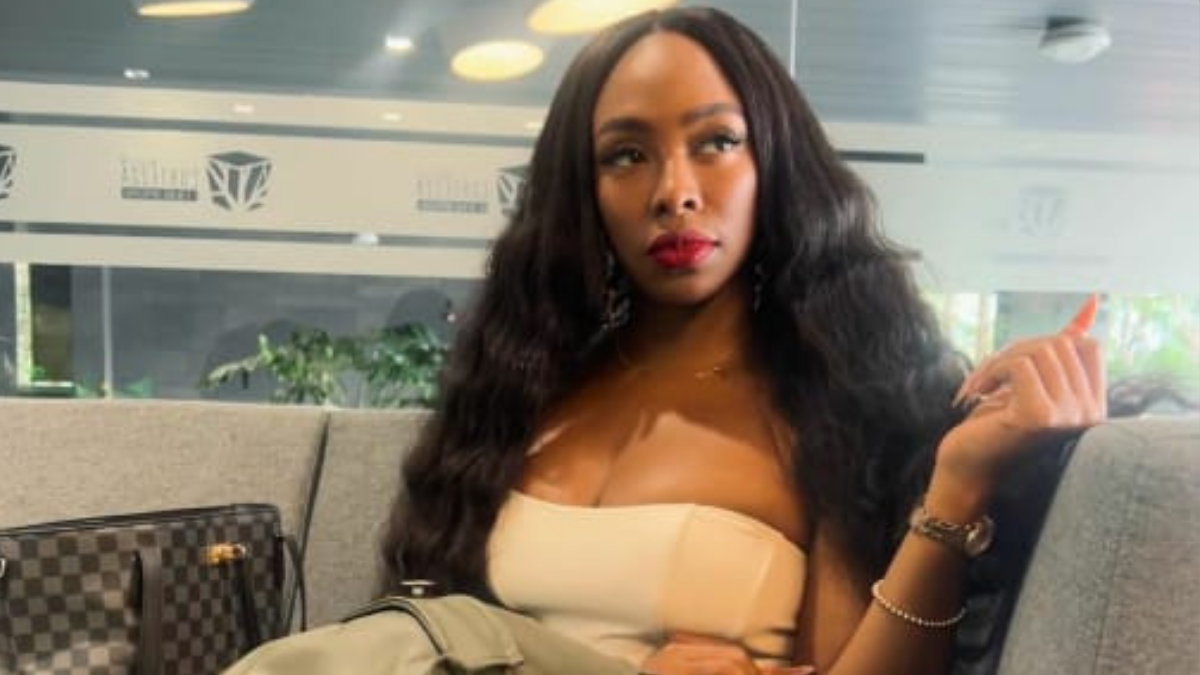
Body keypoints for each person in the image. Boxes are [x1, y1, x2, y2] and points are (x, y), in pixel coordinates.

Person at [225, 6, 1106, 675]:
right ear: (584, 190)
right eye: (627, 154)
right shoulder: (524, 397)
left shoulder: (830, 408)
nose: (674, 191)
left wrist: (959, 483)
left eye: (716, 141)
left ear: (772, 165)